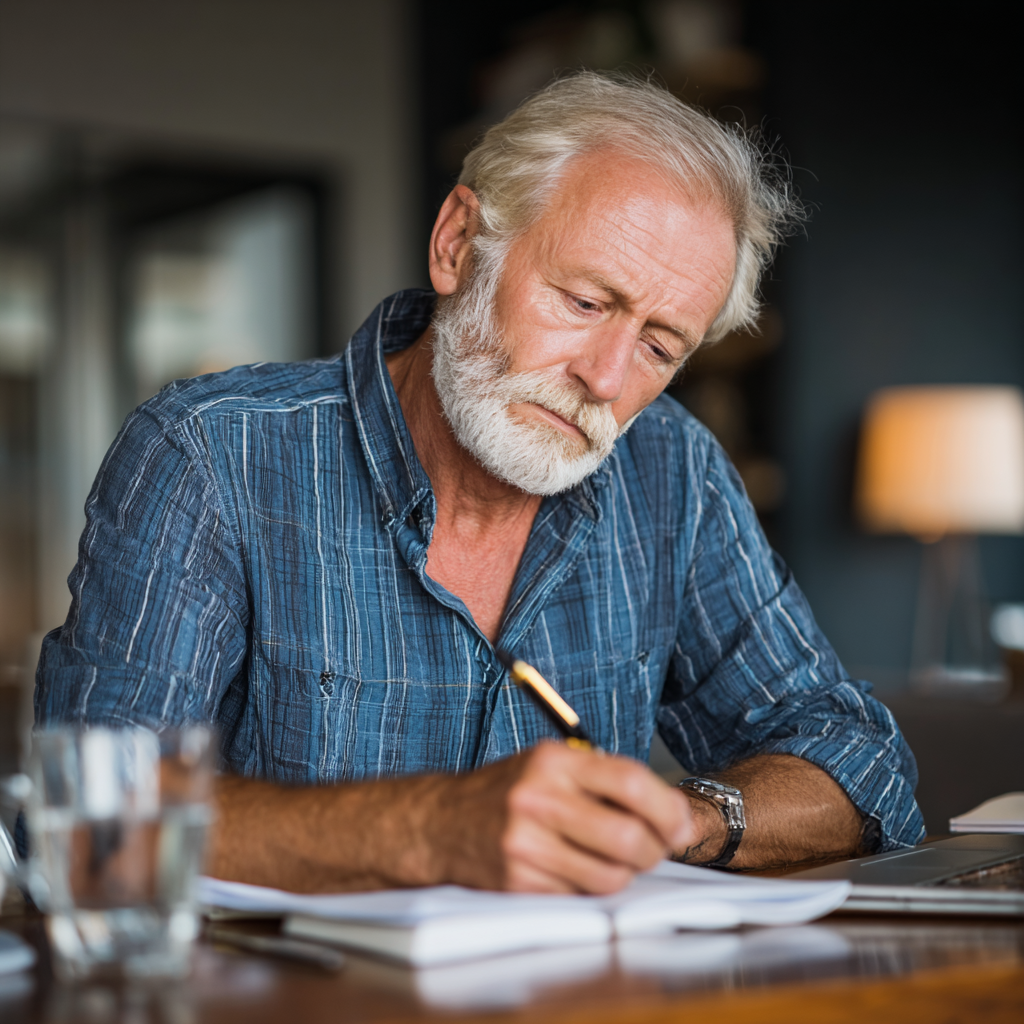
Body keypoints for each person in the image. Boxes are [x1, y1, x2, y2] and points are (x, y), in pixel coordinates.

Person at [35, 73, 924, 894]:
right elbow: (90, 828)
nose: (607, 379)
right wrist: (429, 828)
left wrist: (678, 820)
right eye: (584, 302)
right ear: (459, 244)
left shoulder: (672, 470)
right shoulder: (209, 455)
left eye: (660, 345)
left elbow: (859, 763)